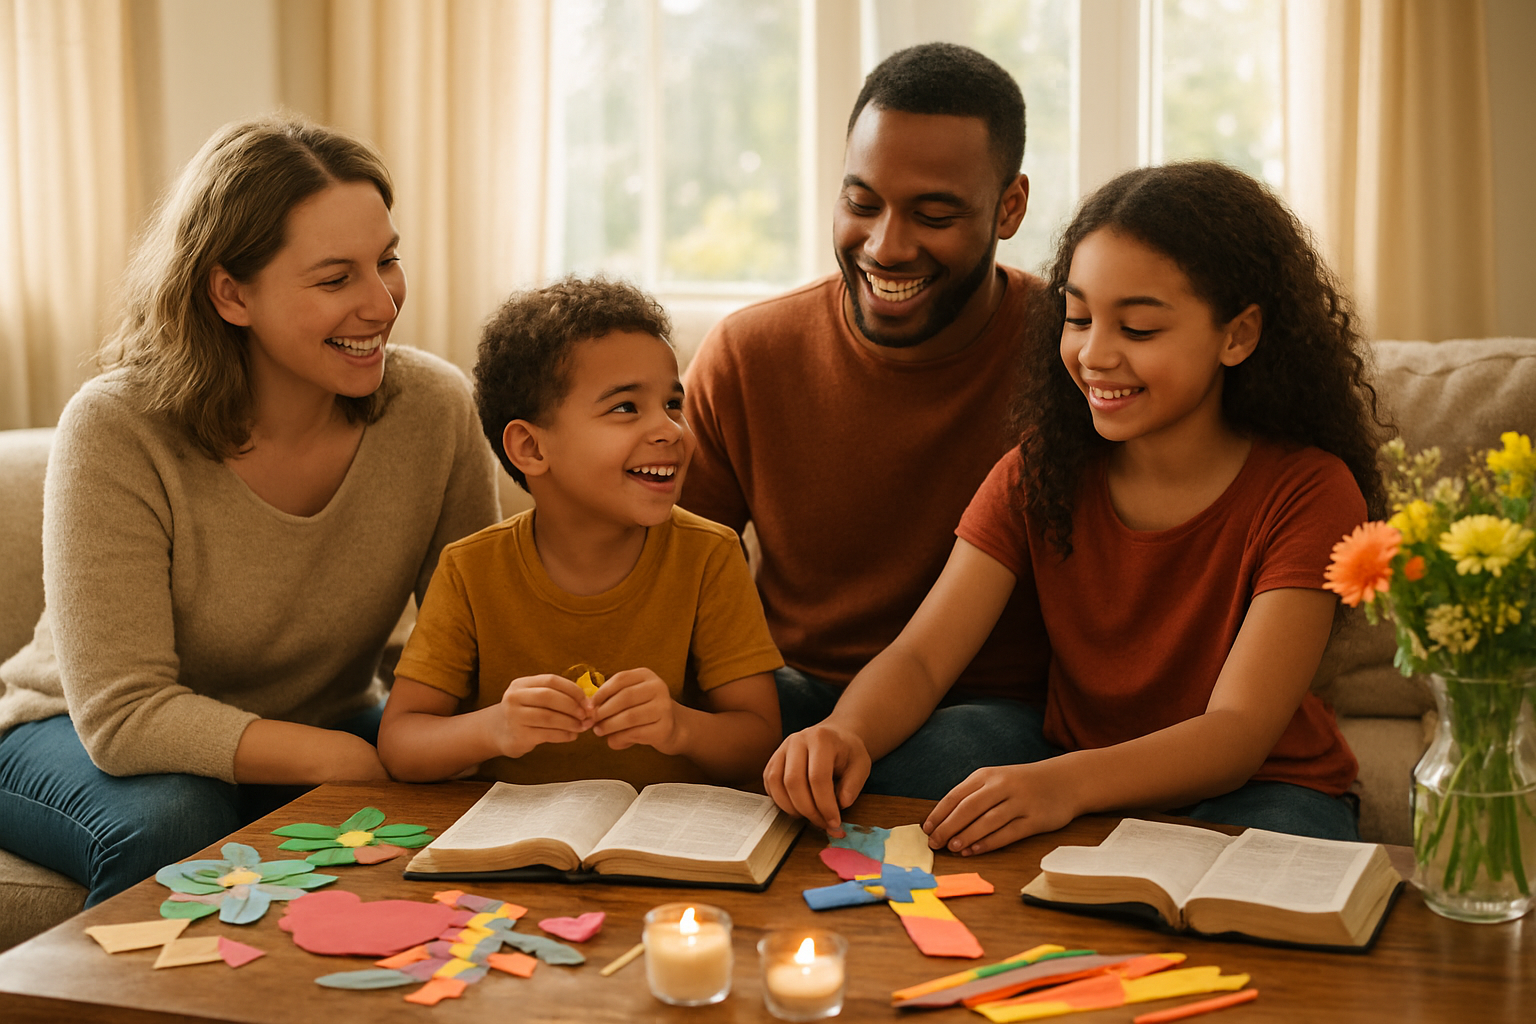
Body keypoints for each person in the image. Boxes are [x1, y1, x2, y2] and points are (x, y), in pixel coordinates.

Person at [765, 161, 1390, 849]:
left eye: (1139, 330)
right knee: (897, 772)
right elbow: (920, 659)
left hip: (1264, 782)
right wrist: (843, 732)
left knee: (1266, 877)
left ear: (1237, 335)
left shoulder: (1311, 490)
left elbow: (1236, 733)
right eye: (1078, 317)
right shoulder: (1040, 472)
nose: (1094, 354)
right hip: (1063, 760)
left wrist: (1061, 787)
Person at [0, 116, 501, 905]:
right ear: (231, 292)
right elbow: (125, 714)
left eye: (388, 261)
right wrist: (336, 758)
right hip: (77, 733)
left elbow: (467, 650)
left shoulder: (434, 409)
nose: (381, 303)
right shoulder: (117, 426)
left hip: (332, 722)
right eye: (336, 280)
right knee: (179, 818)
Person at [681, 43, 1052, 799]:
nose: (885, 246)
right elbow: (671, 579)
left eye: (934, 214)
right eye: (862, 203)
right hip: (790, 695)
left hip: (985, 714)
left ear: (1009, 207)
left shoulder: (1076, 354)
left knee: (946, 766)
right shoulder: (748, 354)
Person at [377, 277, 783, 789]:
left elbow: (759, 743)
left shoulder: (711, 555)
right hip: (512, 849)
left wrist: (680, 727)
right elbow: (400, 744)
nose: (670, 430)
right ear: (530, 447)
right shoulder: (470, 569)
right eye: (625, 407)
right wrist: (494, 728)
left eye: (673, 404)